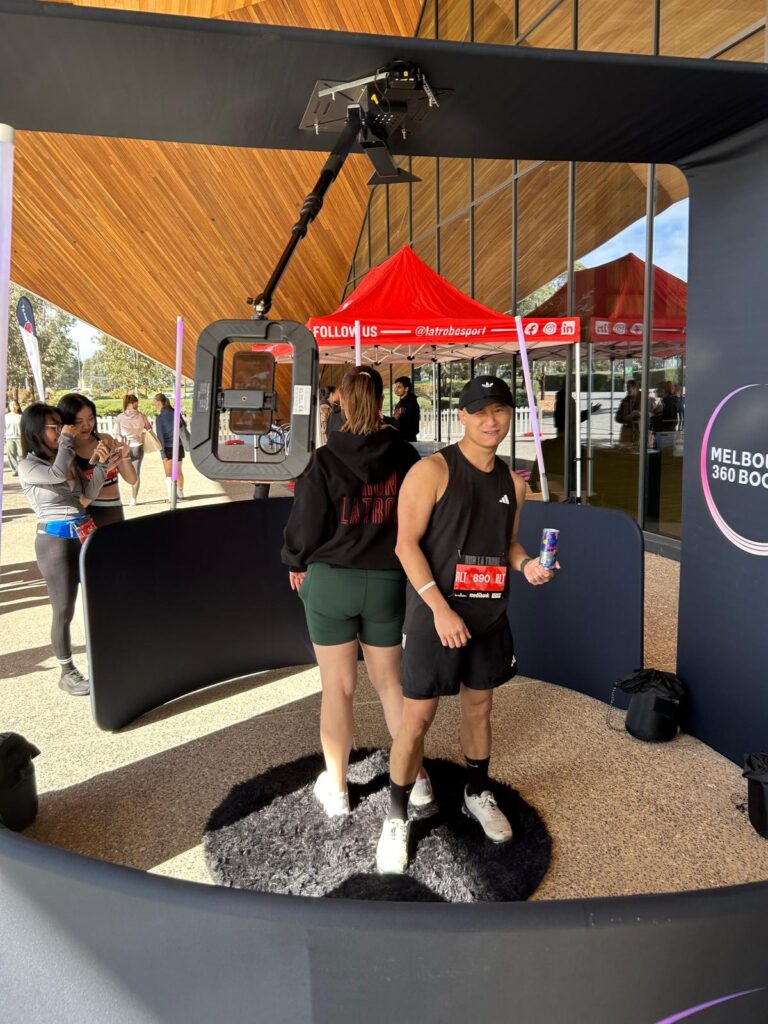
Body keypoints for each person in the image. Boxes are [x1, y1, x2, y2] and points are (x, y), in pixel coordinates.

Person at [375, 375, 557, 875]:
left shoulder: (514, 484)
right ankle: (396, 816)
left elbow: (508, 544)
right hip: (436, 616)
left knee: (480, 708)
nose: (491, 421)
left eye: (499, 411)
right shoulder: (431, 471)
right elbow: (405, 545)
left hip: (488, 616)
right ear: (461, 416)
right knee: (416, 720)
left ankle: (477, 792)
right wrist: (440, 609)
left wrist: (527, 566)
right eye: (480, 412)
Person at [281, 366, 432, 817]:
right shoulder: (406, 457)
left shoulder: (324, 459)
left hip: (332, 582)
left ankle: (338, 790)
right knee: (391, 685)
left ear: (341, 401)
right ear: (382, 400)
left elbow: (306, 525)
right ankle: (418, 781)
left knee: (338, 689)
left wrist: (295, 561)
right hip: (388, 581)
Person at [17, 403, 113, 695]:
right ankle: (67, 671)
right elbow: (57, 473)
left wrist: (102, 465)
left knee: (100, 600)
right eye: (55, 427)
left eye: (63, 426)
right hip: (55, 542)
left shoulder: (65, 458)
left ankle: (107, 660)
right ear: (36, 431)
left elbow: (87, 495)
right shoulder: (29, 465)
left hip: (84, 533)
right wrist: (68, 441)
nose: (62, 431)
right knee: (63, 609)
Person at [58, 393, 136, 527]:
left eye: (90, 418)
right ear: (67, 422)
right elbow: (78, 497)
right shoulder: (66, 451)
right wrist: (104, 469)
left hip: (115, 510)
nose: (86, 425)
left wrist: (124, 456)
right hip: (88, 514)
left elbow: (132, 479)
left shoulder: (105, 440)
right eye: (78, 421)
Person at [114, 393, 152, 505]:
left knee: (119, 470)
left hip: (124, 446)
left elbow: (116, 434)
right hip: (138, 445)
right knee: (136, 472)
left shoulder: (119, 417)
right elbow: (148, 428)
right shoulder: (141, 416)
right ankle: (133, 498)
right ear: (134, 403)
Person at [153, 393, 186, 501]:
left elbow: (160, 438)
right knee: (179, 471)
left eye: (155, 403)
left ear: (159, 403)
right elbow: (182, 427)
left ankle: (171, 496)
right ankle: (180, 492)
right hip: (179, 446)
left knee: (168, 474)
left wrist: (162, 453)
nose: (154, 406)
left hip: (167, 448)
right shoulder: (176, 413)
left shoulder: (159, 418)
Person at [392, 376, 420, 442]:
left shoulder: (409, 403)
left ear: (406, 389)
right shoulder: (403, 402)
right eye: (395, 387)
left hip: (406, 440)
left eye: (399, 387)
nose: (396, 390)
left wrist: (395, 419)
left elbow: (402, 422)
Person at [5, 400, 22, 475]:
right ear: (9, 407)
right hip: (9, 438)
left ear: (18, 406)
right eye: (11, 405)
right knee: (11, 454)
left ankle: (22, 469)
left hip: (20, 438)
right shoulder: (6, 417)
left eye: (14, 405)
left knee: (21, 454)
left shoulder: (21, 417)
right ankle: (15, 470)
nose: (13, 406)